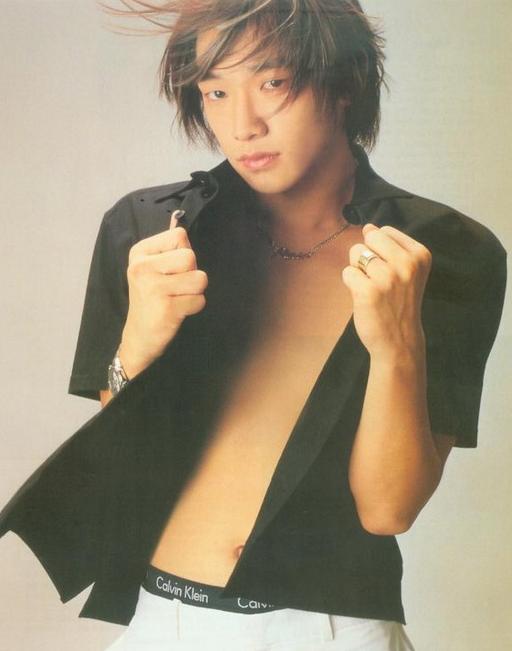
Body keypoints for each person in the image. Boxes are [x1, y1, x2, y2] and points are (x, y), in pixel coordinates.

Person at [0, 1, 507, 650]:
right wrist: (136, 347)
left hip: (333, 632)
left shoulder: (442, 253)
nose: (243, 126)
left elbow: (388, 510)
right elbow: (129, 472)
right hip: (163, 623)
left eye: (273, 82)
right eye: (215, 91)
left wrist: (396, 348)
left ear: (345, 83)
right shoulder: (152, 233)